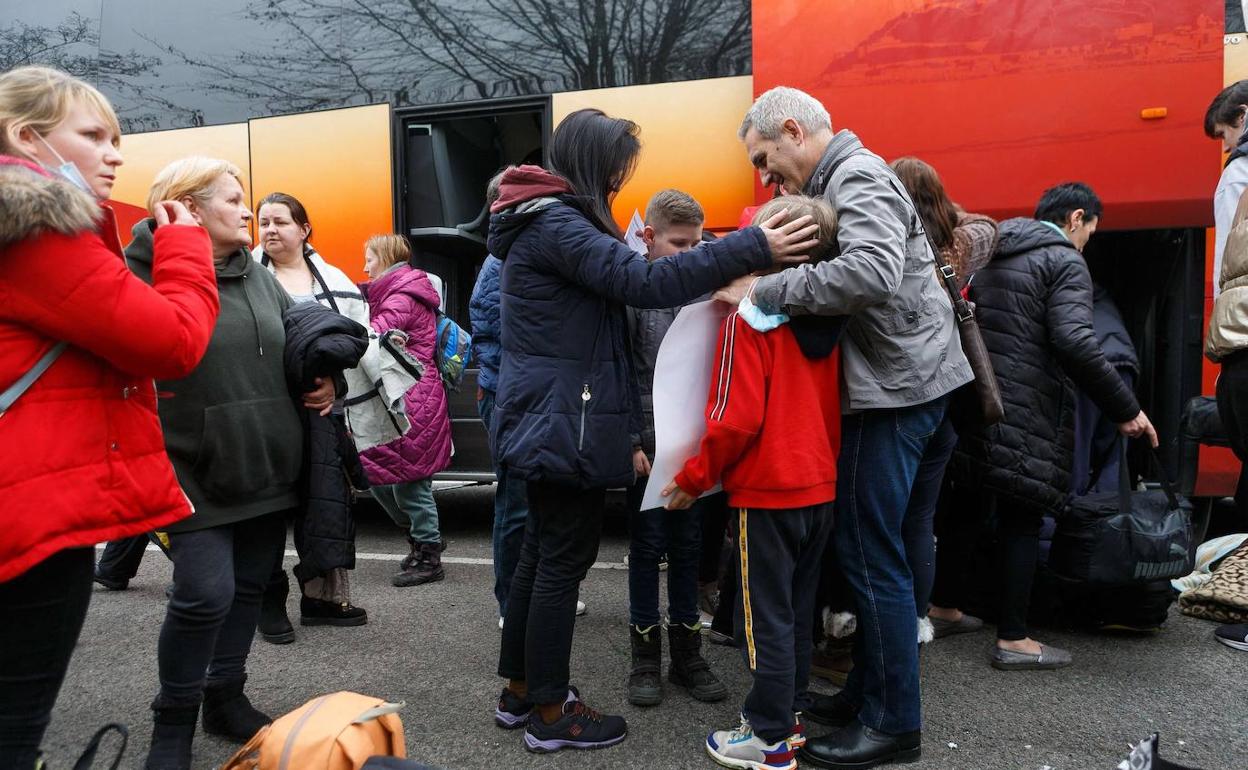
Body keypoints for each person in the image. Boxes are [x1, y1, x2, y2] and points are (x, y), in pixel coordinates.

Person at [488, 108, 819, 755]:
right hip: (566, 420)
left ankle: (521, 691)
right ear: (590, 166)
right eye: (613, 173)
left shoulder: (544, 220)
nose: (615, 186)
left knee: (539, 554)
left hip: (551, 415)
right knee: (560, 561)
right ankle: (550, 713)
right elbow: (642, 283)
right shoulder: (556, 222)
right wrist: (752, 246)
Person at [721, 86, 972, 769]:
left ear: (794, 131)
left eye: (766, 158)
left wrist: (764, 291)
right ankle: (869, 693)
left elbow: (870, 271)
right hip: (915, 384)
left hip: (895, 395)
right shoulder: (856, 175)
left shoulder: (856, 175)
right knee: (881, 552)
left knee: (869, 557)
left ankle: (893, 725)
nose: (767, 176)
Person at [0, 65, 219, 770]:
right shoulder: (35, 228)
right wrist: (187, 250)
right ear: (26, 137)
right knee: (15, 724)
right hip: (29, 519)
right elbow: (171, 342)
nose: (116, 153)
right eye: (94, 135)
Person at [127, 157, 337, 769]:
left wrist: (324, 378)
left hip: (267, 462)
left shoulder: (259, 277)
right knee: (203, 593)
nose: (248, 212)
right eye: (233, 200)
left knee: (248, 587)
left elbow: (295, 342)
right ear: (189, 208)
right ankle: (173, 722)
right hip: (187, 465)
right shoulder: (135, 272)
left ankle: (225, 695)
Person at [661, 195, 842, 770]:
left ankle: (766, 736)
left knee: (764, 618)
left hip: (767, 490)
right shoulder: (826, 316)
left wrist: (693, 478)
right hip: (818, 485)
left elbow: (735, 418)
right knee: (794, 610)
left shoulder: (750, 320)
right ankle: (785, 719)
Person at [947, 182, 1158, 673]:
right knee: (1024, 512)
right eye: (1089, 233)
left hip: (978, 395)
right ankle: (1014, 638)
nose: (1086, 243)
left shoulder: (993, 247)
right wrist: (1125, 408)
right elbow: (1076, 341)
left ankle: (945, 607)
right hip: (1029, 404)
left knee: (968, 503)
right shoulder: (1064, 261)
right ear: (1075, 218)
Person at [470, 169, 590, 627]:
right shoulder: (506, 259)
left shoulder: (515, 252)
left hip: (520, 396)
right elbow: (507, 333)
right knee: (516, 503)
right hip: (508, 398)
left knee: (535, 503)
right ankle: (510, 604)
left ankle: (536, 593)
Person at [888, 156, 999, 641]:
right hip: (949, 400)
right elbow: (989, 225)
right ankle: (916, 621)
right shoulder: (958, 247)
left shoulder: (891, 249)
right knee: (920, 518)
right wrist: (946, 209)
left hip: (900, 400)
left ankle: (875, 623)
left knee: (884, 517)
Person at [623, 189, 727, 708]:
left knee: (688, 550)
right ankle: (645, 658)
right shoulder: (632, 291)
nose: (690, 254)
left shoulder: (708, 289)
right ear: (649, 237)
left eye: (697, 243)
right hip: (647, 447)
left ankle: (689, 655)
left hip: (695, 449)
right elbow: (619, 369)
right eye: (678, 244)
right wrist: (630, 441)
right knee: (646, 552)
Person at [252, 191, 371, 640]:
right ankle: (270, 602)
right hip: (268, 413)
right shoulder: (249, 278)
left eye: (280, 221)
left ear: (304, 229)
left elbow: (362, 346)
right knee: (267, 509)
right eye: (263, 222)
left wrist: (333, 385)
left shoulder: (335, 279)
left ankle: (323, 599)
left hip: (322, 414)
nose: (269, 230)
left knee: (326, 503)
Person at [359, 234, 452, 587]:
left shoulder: (400, 297)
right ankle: (422, 540)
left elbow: (372, 334)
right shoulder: (396, 291)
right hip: (406, 395)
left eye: (369, 259)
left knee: (411, 485)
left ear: (384, 258)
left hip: (412, 397)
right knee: (385, 479)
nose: (365, 267)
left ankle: (429, 554)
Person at [1206, 81, 1248, 524]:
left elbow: (1229, 266)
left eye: (1224, 134)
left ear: (1242, 116)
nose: (1226, 147)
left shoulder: (1239, 173)